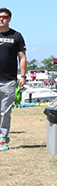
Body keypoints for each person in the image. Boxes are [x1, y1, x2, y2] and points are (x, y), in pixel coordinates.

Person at [0, 8, 27, 151]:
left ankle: (2, 138)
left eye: (4, 17)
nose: (1, 19)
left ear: (9, 19)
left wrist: (23, 76)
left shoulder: (16, 36)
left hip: (9, 80)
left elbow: (22, 57)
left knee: (5, 111)